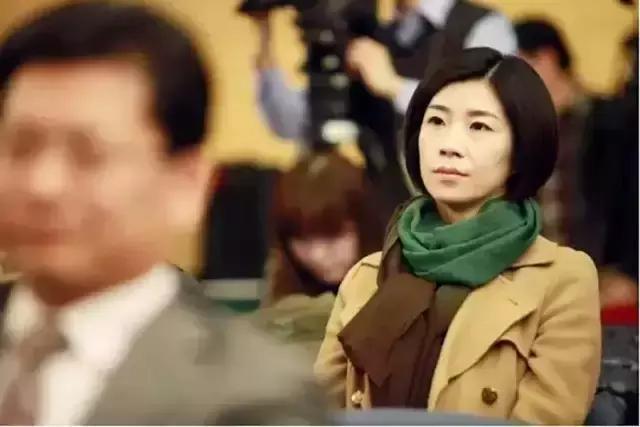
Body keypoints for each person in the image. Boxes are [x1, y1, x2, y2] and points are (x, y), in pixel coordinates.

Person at [0, 2, 327, 424]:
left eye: (88, 155)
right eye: (20, 148)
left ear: (186, 184)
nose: (43, 185)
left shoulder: (254, 396)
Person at [314, 47, 602, 424]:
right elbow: (316, 414)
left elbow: (547, 417)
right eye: (436, 121)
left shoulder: (562, 280)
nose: (448, 145)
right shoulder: (367, 276)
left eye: (479, 127)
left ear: (522, 149)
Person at [255, 150, 383, 353]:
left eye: (332, 237)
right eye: (302, 240)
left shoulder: (405, 290)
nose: (317, 255)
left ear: (364, 227)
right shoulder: (280, 282)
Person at [515, 18, 593, 247]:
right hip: (542, 258)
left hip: (599, 261)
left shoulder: (605, 120)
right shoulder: (523, 126)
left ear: (547, 58)